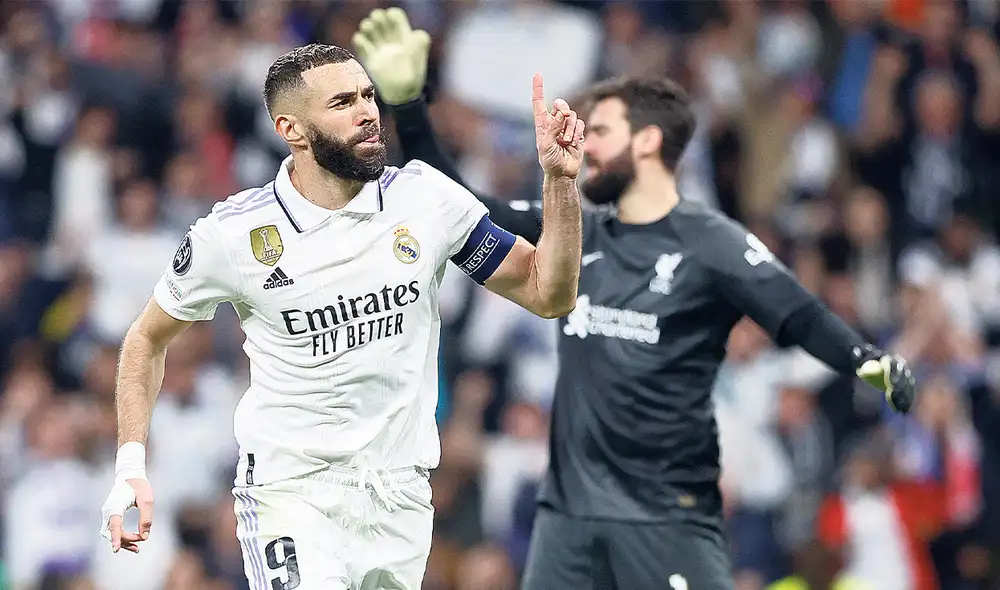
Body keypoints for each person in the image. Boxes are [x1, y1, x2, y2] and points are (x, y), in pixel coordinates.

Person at [352, 9, 917, 590]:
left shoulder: (711, 241)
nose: (584, 143)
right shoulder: (575, 233)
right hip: (568, 519)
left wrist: (866, 361)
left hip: (667, 516)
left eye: (600, 131)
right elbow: (458, 205)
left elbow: (797, 314)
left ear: (647, 141)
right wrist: (409, 105)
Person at [97, 43, 587, 590]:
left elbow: (549, 292)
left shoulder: (426, 199)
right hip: (292, 492)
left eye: (368, 95)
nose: (367, 112)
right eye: (342, 102)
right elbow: (146, 339)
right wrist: (130, 466)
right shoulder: (233, 234)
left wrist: (560, 183)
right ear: (292, 129)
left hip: (399, 496)